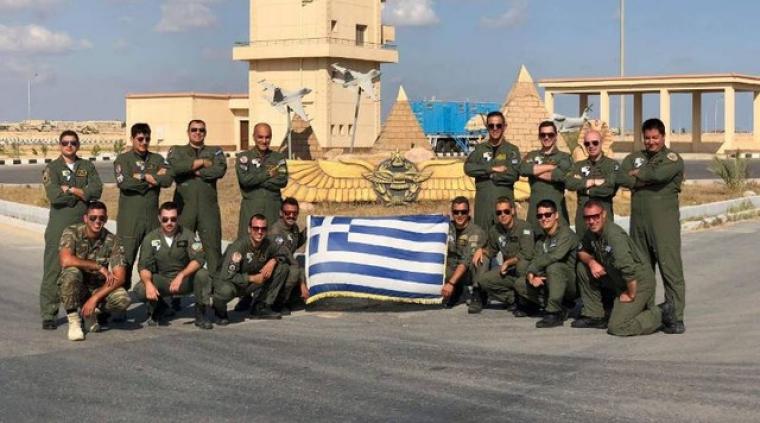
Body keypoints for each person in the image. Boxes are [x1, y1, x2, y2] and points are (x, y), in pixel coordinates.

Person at [619, 118, 686, 334]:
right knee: (642, 271)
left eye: (655, 137)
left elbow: (658, 174)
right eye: (647, 138)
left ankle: (675, 316)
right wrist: (641, 178)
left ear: (663, 137)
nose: (651, 142)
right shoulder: (634, 158)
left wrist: (638, 175)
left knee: (670, 270)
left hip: (664, 226)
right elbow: (621, 176)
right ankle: (649, 314)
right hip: (639, 226)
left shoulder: (672, 159)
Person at [574, 200, 675, 336]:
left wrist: (630, 294)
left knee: (617, 327)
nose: (592, 221)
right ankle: (595, 315)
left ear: (604, 214)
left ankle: (660, 313)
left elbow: (628, 269)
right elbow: (581, 250)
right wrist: (591, 262)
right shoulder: (592, 232)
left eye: (595, 216)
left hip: (637, 282)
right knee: (582, 267)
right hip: (618, 279)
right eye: (587, 218)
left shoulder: (614, 236)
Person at [40, 130, 103, 330]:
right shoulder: (52, 168)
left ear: (78, 145)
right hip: (59, 225)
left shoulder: (87, 166)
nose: (69, 146)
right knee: (53, 268)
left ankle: (87, 310)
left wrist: (71, 189)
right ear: (60, 145)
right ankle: (49, 313)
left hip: (83, 226)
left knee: (85, 268)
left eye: (73, 143)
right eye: (65, 143)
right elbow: (55, 196)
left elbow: (97, 190)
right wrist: (83, 194)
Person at [57, 202, 131, 341]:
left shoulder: (113, 240)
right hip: (77, 286)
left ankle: (91, 313)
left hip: (97, 288)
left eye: (101, 218)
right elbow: (65, 260)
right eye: (93, 218)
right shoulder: (72, 232)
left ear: (106, 219)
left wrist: (94, 299)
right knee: (71, 273)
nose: (97, 221)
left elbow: (120, 277)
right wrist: (97, 266)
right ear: (85, 218)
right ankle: (74, 320)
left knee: (123, 299)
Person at [134, 202, 213, 329]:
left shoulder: (189, 235)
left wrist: (182, 275)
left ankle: (201, 313)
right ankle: (159, 307)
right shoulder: (150, 238)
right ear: (159, 218)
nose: (169, 223)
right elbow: (144, 266)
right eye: (165, 219)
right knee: (140, 289)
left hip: (184, 281)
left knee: (203, 274)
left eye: (173, 219)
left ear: (178, 218)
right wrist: (148, 284)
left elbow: (199, 259)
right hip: (163, 280)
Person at [113, 123, 173, 290]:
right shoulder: (123, 160)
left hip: (152, 220)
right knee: (125, 261)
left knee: (153, 260)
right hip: (130, 221)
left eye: (147, 138)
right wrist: (151, 180)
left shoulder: (157, 159)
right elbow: (125, 183)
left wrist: (141, 176)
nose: (144, 142)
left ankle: (154, 299)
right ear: (132, 139)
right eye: (140, 139)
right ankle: (120, 299)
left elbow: (168, 179)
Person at [167, 119, 227, 276]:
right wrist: (202, 162)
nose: (197, 133)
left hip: (208, 209)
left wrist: (194, 171)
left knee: (213, 249)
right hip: (184, 207)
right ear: (188, 132)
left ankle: (215, 286)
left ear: (205, 133)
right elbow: (175, 168)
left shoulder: (215, 151)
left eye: (201, 130)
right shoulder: (177, 150)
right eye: (194, 130)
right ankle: (177, 286)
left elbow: (219, 170)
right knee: (180, 248)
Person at [212, 214, 288, 324]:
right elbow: (228, 276)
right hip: (230, 282)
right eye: (256, 228)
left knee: (282, 268)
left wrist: (273, 261)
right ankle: (220, 311)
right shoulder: (239, 247)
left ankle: (260, 306)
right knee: (225, 291)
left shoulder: (267, 243)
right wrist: (251, 278)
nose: (260, 232)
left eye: (263, 229)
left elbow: (283, 252)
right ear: (249, 229)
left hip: (251, 282)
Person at [515, 199, 578, 328]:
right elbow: (535, 260)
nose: (544, 218)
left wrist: (532, 269)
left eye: (548, 214)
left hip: (570, 284)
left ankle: (554, 313)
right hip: (549, 281)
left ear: (556, 215)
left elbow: (554, 256)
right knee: (520, 283)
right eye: (540, 216)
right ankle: (559, 306)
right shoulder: (541, 241)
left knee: (554, 267)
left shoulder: (565, 234)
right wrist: (532, 276)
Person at [469, 197, 534, 314]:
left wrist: (508, 262)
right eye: (499, 213)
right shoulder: (495, 230)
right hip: (508, 271)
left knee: (522, 265)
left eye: (506, 211)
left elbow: (527, 254)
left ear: (512, 211)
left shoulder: (524, 227)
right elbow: (491, 251)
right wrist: (481, 251)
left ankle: (528, 300)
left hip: (525, 271)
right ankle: (513, 299)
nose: (503, 215)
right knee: (483, 280)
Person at [464, 111, 521, 230]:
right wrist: (490, 169)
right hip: (483, 206)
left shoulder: (511, 150)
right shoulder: (480, 149)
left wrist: (492, 176)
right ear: (487, 127)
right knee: (482, 237)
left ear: (504, 127)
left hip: (504, 208)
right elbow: (468, 168)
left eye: (498, 125)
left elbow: (513, 174)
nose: (495, 129)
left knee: (508, 238)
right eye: (491, 126)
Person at [236, 122, 288, 238]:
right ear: (253, 137)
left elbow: (283, 180)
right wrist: (268, 174)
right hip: (251, 208)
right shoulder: (244, 158)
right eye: (260, 137)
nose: (264, 141)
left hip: (273, 208)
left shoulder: (278, 158)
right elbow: (245, 180)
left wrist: (256, 180)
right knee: (248, 242)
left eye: (267, 137)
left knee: (274, 242)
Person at [564, 129, 620, 238]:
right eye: (587, 143)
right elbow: (569, 183)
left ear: (601, 143)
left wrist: (586, 189)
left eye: (595, 142)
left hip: (603, 220)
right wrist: (591, 182)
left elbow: (609, 189)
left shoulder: (612, 165)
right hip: (583, 222)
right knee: (583, 248)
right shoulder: (578, 166)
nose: (591, 146)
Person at [519, 121, 573, 229]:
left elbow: (561, 175)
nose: (546, 137)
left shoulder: (564, 157)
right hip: (535, 215)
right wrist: (551, 167)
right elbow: (523, 169)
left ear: (556, 136)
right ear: (539, 136)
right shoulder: (532, 155)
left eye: (550, 135)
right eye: (543, 135)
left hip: (557, 215)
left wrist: (534, 172)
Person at [441, 196, 486, 308]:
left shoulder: (476, 232)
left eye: (463, 212)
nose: (460, 215)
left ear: (468, 212)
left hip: (468, 271)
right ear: (452, 213)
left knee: (482, 260)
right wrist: (438, 221)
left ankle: (478, 293)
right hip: (451, 268)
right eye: (456, 212)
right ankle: (457, 291)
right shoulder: (446, 227)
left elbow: (466, 261)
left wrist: (451, 283)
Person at [268, 197, 308, 314]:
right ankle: (278, 302)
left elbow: (295, 243)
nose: (291, 216)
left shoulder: (294, 228)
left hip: (287, 264)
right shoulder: (276, 231)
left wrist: (309, 229)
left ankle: (290, 298)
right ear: (281, 213)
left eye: (294, 213)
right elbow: (288, 257)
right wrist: (302, 283)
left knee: (298, 269)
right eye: (287, 213)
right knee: (294, 271)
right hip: (275, 269)